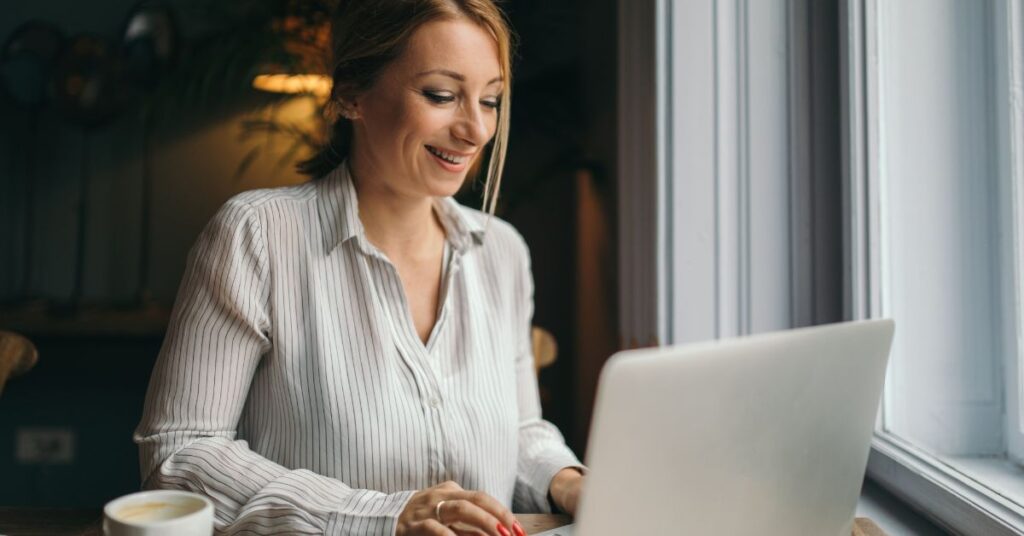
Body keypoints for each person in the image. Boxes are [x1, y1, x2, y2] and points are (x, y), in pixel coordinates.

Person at [133, 1, 585, 534]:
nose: (476, 129)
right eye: (441, 96)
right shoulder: (256, 236)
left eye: (490, 100)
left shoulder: (502, 252)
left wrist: (568, 479)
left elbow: (521, 428)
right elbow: (180, 456)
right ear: (350, 93)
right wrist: (380, 516)